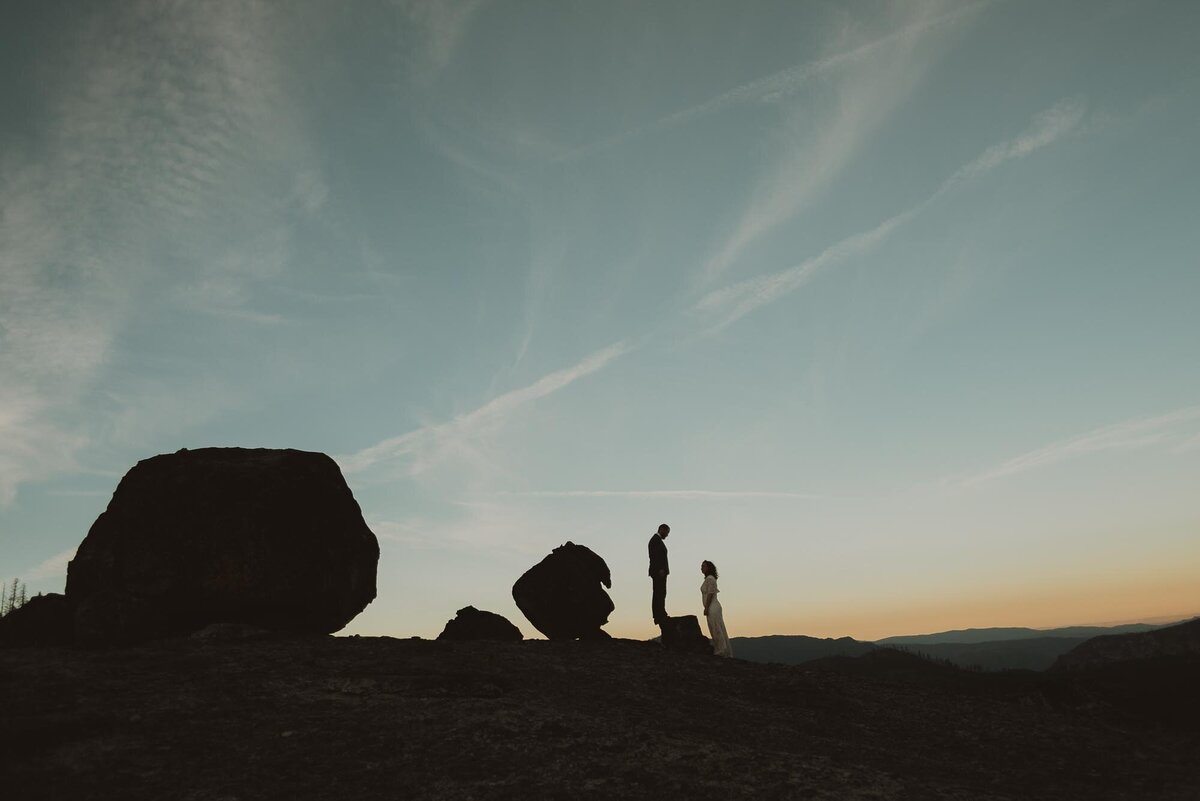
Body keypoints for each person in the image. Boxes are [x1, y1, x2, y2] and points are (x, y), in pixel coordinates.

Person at [700, 560, 732, 658]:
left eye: (703, 566)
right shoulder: (709, 579)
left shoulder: (710, 579)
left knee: (716, 627)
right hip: (712, 607)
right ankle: (720, 649)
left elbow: (710, 594)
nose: (701, 568)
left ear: (708, 567)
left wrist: (706, 607)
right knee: (714, 628)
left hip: (712, 607)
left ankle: (721, 650)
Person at [648, 523, 670, 625]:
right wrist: (660, 569)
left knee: (661, 592)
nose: (667, 535)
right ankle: (659, 614)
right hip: (659, 572)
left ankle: (660, 612)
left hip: (660, 571)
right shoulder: (655, 540)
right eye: (667, 532)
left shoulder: (657, 540)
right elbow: (655, 557)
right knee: (659, 592)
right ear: (662, 530)